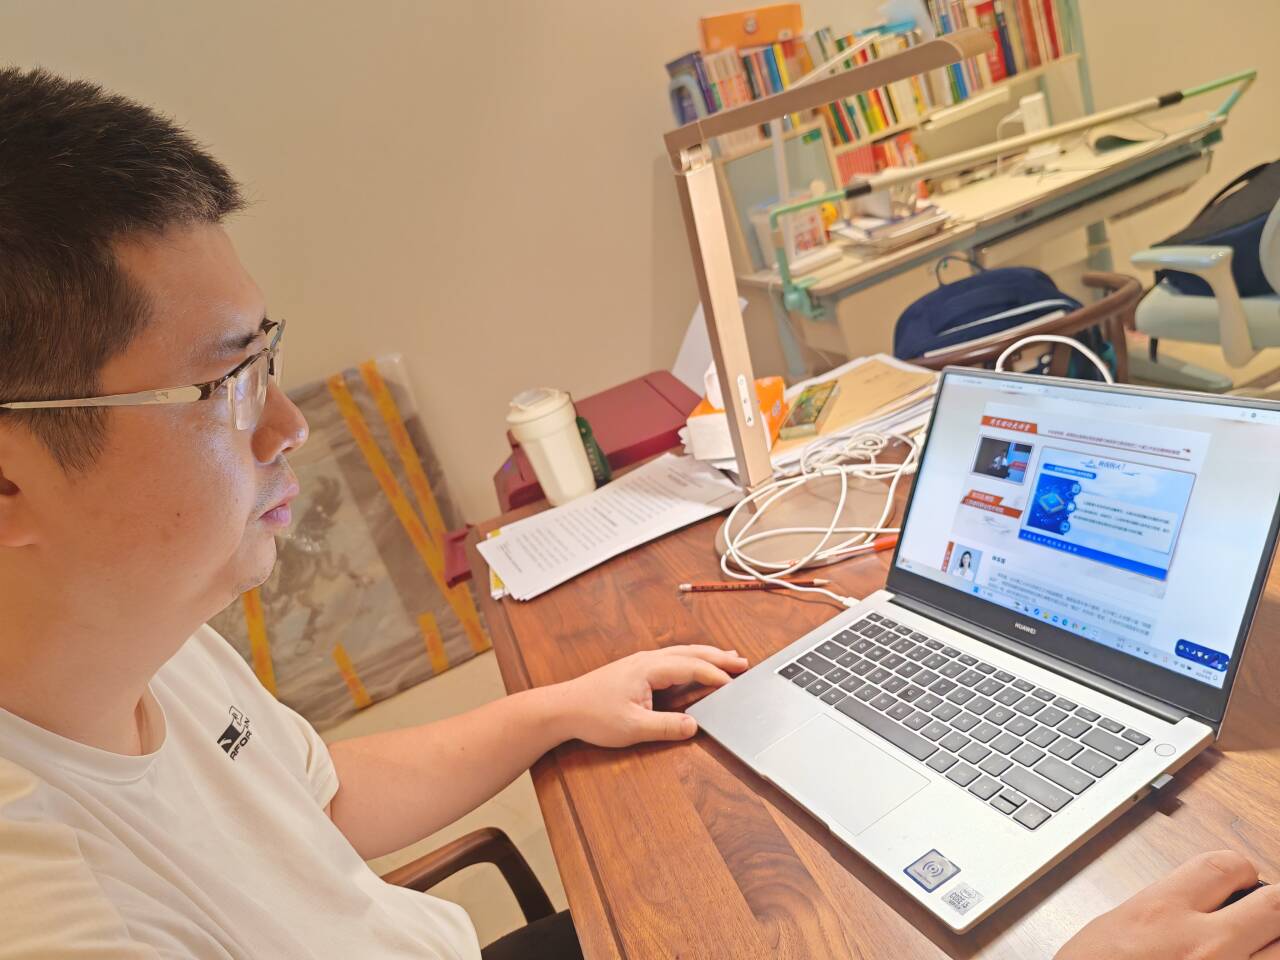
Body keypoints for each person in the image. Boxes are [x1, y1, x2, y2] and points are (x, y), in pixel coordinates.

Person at [0, 66, 1277, 960]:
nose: (286, 425)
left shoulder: (140, 639)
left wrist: (556, 706)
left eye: (267, 357)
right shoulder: (51, 907)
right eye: (226, 381)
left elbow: (310, 798)